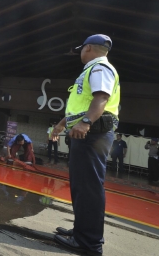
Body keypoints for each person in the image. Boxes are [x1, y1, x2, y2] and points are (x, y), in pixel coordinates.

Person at [51, 34, 120, 255]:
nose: (80, 52)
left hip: (92, 135)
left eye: (81, 49)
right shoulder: (91, 70)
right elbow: (79, 106)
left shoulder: (99, 68)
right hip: (85, 135)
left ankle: (89, 243)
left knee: (89, 187)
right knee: (81, 186)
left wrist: (86, 122)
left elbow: (101, 98)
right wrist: (62, 124)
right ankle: (81, 231)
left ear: (88, 47)